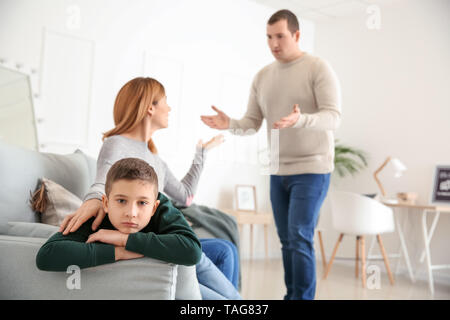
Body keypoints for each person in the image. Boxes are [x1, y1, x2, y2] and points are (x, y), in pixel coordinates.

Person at [201, 9, 341, 300]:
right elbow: (251, 124)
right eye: (268, 37)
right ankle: (292, 295)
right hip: (278, 169)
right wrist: (230, 124)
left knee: (300, 236)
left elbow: (333, 117)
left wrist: (301, 120)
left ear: (297, 35)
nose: (273, 43)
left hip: (312, 168)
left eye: (280, 36)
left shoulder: (318, 68)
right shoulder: (263, 76)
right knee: (287, 240)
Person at [58, 77, 241, 299]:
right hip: (145, 240)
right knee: (221, 252)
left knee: (226, 250)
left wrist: (200, 155)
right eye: (165, 101)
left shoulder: (155, 158)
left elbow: (185, 198)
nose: (170, 108)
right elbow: (102, 181)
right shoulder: (117, 143)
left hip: (162, 234)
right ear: (150, 108)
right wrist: (93, 199)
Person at [36, 157, 202, 270]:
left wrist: (124, 239)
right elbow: (47, 255)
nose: (131, 213)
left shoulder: (162, 208)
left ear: (153, 208)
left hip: (194, 256)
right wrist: (119, 252)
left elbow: (192, 251)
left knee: (223, 250)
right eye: (121, 201)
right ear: (106, 203)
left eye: (142, 203)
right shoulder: (96, 219)